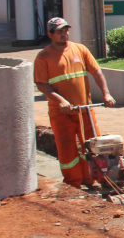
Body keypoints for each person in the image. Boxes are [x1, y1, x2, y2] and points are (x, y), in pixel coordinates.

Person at [33, 17, 116, 189]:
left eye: (66, 31)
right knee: (67, 148)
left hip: (85, 111)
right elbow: (41, 84)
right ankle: (72, 184)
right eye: (59, 32)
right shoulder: (43, 57)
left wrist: (106, 94)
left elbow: (97, 72)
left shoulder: (80, 49)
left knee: (92, 146)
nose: (64, 34)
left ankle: (90, 179)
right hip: (60, 113)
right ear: (50, 34)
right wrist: (61, 101)